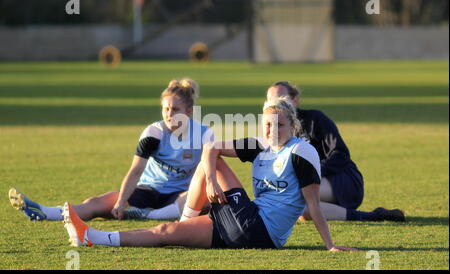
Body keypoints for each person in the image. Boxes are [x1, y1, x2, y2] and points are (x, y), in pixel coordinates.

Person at [62, 99, 357, 251]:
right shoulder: (260, 144)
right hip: (247, 225)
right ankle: (90, 236)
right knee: (166, 233)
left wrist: (329, 245)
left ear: (291, 127)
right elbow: (211, 148)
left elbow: (314, 205)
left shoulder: (301, 151)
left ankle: (186, 219)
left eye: (278, 125)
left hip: (261, 229)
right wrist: (213, 184)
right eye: (266, 125)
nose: (271, 131)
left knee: (211, 164)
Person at [9, 78, 213, 222]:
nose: (169, 114)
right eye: (165, 109)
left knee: (198, 197)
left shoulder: (204, 134)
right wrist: (122, 201)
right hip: (148, 190)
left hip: (179, 194)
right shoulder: (154, 132)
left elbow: (209, 171)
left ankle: (148, 215)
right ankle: (45, 212)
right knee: (99, 203)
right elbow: (135, 171)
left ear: (189, 111)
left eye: (175, 109)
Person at [267, 81, 405, 222]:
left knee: (295, 192)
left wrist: (312, 173)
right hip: (308, 184)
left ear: (295, 99)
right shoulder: (275, 131)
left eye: (281, 99)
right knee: (303, 211)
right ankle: (376, 216)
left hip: (343, 179)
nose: (276, 104)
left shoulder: (315, 118)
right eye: (271, 100)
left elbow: (340, 154)